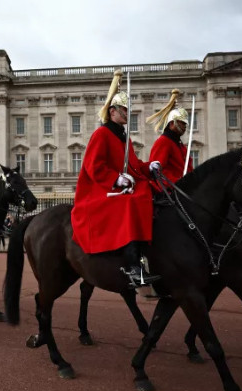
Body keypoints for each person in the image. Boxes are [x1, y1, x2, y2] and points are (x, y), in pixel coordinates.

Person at [71, 70, 161, 287]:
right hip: (100, 190)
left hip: (121, 185)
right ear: (112, 111)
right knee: (130, 202)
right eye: (124, 110)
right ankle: (132, 265)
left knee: (150, 193)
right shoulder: (101, 134)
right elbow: (94, 167)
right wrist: (116, 179)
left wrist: (150, 167)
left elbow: (134, 166)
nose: (127, 113)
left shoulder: (122, 137)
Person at [148, 89, 193, 185]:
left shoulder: (180, 145)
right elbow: (158, 172)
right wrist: (178, 182)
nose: (185, 126)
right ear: (172, 123)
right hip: (171, 189)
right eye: (182, 123)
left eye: (185, 124)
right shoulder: (163, 142)